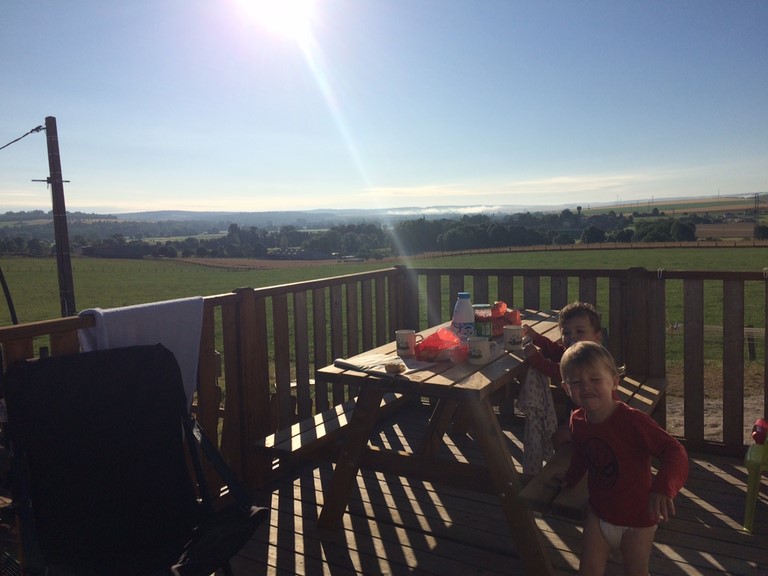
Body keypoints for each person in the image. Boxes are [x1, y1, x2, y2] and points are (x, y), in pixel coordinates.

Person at [559, 341, 688, 576]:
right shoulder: (577, 421)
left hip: (638, 518)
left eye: (595, 379)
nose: (586, 387)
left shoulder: (632, 422)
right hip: (599, 512)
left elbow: (674, 451)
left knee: (635, 572)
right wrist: (571, 477)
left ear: (614, 381)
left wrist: (663, 487)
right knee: (588, 570)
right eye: (576, 382)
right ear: (566, 388)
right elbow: (581, 453)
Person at [521, 301, 604, 449]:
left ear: (597, 337)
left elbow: (560, 371)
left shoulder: (591, 358)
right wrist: (536, 337)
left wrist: (536, 359)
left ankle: (569, 465)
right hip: (583, 411)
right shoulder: (576, 353)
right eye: (566, 333)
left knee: (558, 437)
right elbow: (558, 351)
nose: (573, 337)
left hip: (597, 419)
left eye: (580, 331)